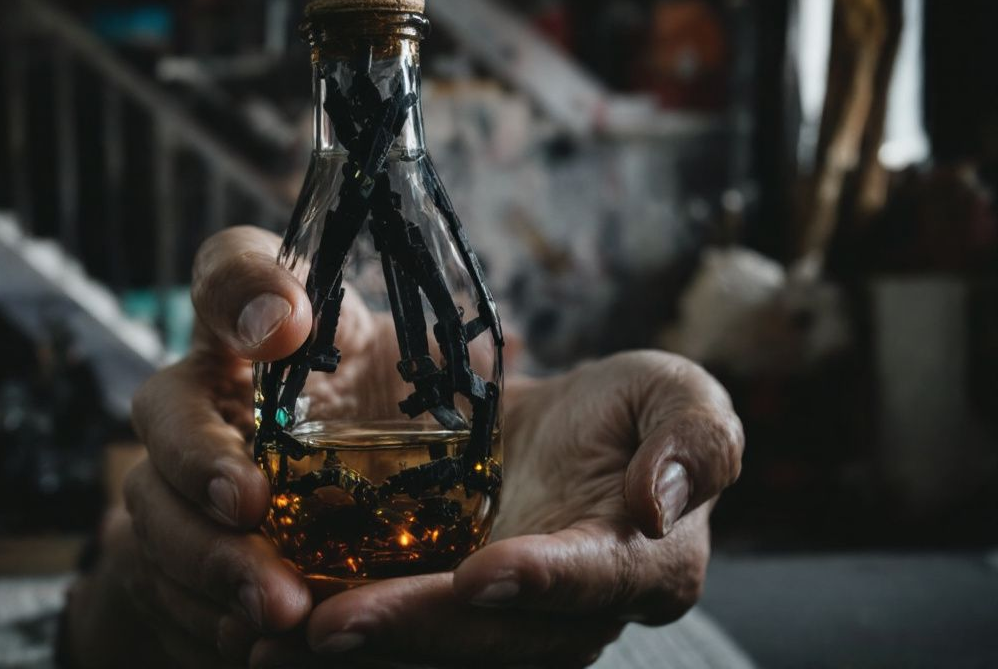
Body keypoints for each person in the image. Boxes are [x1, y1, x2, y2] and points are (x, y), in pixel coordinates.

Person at [62, 227, 745, 668]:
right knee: (141, 547)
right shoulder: (299, 392)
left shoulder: (508, 438)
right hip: (125, 605)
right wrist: (137, 564)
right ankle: (110, 550)